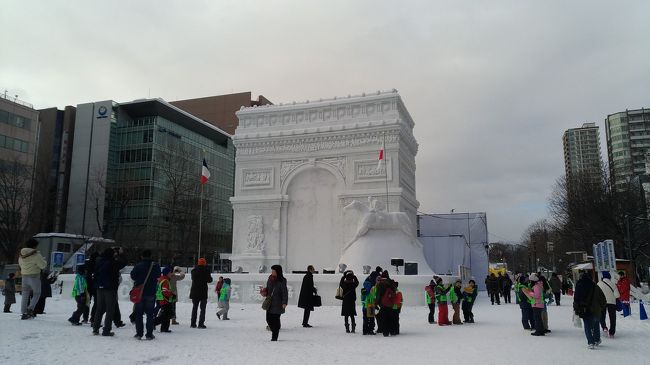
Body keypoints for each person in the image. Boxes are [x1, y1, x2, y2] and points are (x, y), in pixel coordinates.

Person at [92, 247, 126, 336]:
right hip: (110, 288)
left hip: (99, 287)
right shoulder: (113, 262)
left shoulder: (99, 262)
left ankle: (95, 328)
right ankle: (106, 330)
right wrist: (120, 254)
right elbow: (123, 263)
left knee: (99, 309)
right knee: (110, 309)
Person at [130, 249, 161, 340]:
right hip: (151, 292)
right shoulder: (155, 266)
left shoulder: (138, 266)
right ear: (150, 256)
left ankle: (139, 334)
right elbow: (158, 275)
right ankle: (149, 334)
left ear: (142, 256)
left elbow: (133, 276)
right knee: (150, 314)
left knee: (139, 314)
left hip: (139, 292)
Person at [574, 272, 606, 349]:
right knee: (596, 324)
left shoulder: (579, 286)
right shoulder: (595, 286)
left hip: (584, 309)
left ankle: (590, 342)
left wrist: (576, 309)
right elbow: (602, 298)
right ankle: (597, 339)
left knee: (587, 326)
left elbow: (576, 299)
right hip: (596, 309)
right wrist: (602, 307)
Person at [18, 238, 47, 320]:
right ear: (35, 246)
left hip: (24, 276)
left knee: (25, 294)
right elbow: (43, 266)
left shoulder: (21, 254)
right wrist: (44, 261)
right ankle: (30, 310)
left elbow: (20, 264)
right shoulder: (36, 254)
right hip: (34, 276)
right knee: (37, 293)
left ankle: (23, 312)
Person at [261, 264, 288, 341]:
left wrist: (284, 302)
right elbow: (268, 289)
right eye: (272, 270)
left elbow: (284, 292)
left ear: (277, 272)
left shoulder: (282, 280)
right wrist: (264, 291)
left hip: (278, 303)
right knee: (268, 319)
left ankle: (274, 337)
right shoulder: (269, 279)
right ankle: (274, 330)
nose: (272, 272)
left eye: (273, 271)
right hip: (270, 303)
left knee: (275, 320)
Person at [189, 258, 213, 329]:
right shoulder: (206, 271)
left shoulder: (193, 271)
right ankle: (201, 323)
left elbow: (193, 279)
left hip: (194, 292)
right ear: (204, 263)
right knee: (203, 309)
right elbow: (210, 280)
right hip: (203, 292)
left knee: (194, 308)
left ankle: (193, 323)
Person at [597, 271, 619, 337]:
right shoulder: (613, 284)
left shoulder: (598, 284)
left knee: (602, 316)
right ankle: (612, 332)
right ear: (609, 277)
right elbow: (617, 295)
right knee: (612, 317)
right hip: (612, 303)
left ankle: (604, 328)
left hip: (602, 302)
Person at [375, 270, 397, 336]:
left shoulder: (381, 284)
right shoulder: (391, 282)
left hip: (383, 304)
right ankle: (392, 331)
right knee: (391, 318)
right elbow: (394, 292)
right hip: (391, 304)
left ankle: (385, 332)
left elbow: (378, 294)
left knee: (384, 318)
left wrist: (377, 303)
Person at [154, 267, 175, 333]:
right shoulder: (165, 280)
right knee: (167, 315)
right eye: (170, 272)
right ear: (166, 273)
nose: (171, 274)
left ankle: (164, 328)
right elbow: (165, 291)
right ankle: (153, 323)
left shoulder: (162, 279)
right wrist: (172, 294)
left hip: (161, 299)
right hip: (165, 300)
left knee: (167, 314)